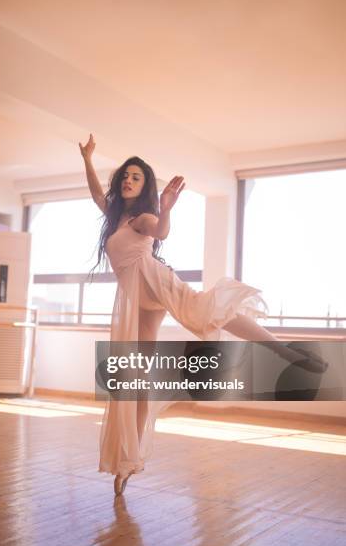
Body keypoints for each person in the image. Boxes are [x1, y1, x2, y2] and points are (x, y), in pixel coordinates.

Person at [79, 133, 326, 496]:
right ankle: (130, 459)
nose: (129, 180)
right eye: (126, 176)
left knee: (211, 313)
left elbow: (160, 230)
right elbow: (97, 193)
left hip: (157, 284)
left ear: (144, 186)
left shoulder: (141, 219)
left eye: (137, 176)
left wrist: (167, 207)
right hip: (136, 301)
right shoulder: (116, 217)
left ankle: (285, 350)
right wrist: (87, 158)